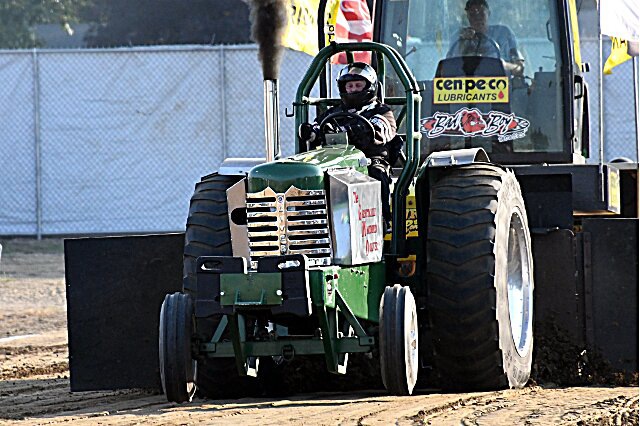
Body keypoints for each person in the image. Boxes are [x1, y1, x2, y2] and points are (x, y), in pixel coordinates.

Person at [299, 62, 397, 230]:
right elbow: (317, 127)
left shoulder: (381, 111)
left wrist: (353, 130)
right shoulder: (334, 112)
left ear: (370, 86)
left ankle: (381, 220)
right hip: (336, 162)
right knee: (312, 175)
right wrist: (311, 132)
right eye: (349, 86)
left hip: (369, 160)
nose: (353, 89)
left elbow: (381, 130)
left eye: (358, 85)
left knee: (376, 173)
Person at [447, 0, 525, 76]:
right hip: (465, 83)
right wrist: (463, 44)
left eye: (482, 14)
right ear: (468, 17)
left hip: (502, 83)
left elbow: (519, 68)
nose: (478, 18)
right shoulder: (459, 37)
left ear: (488, 14)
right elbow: (448, 69)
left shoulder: (503, 34)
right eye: (473, 15)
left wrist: (502, 66)